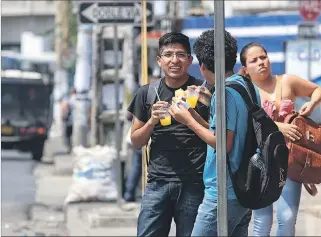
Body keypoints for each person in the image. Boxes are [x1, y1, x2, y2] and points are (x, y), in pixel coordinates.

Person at [169, 30, 255, 236]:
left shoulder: (224, 93)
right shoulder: (245, 86)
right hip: (245, 187)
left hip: (225, 192)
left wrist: (187, 121)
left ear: (203, 66)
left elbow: (223, 143)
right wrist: (194, 115)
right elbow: (228, 130)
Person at [127, 32, 210, 236]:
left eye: (181, 55)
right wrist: (152, 121)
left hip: (195, 182)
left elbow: (218, 135)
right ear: (159, 60)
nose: (175, 60)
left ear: (190, 60)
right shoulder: (146, 93)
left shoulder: (203, 91)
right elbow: (136, 141)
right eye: (169, 54)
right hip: (157, 183)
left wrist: (200, 109)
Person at [239, 42, 321, 236]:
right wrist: (277, 126)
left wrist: (311, 104)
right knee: (262, 220)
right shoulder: (244, 90)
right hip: (259, 160)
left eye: (263, 57)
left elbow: (317, 90)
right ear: (245, 69)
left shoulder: (287, 81)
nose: (261, 62)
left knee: (287, 217)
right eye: (254, 60)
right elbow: (242, 124)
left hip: (289, 159)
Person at [61, 88, 76, 153]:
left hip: (69, 121)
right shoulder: (78, 99)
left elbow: (64, 108)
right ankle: (71, 148)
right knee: (70, 135)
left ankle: (70, 148)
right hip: (74, 121)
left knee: (68, 136)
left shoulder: (69, 100)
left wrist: (63, 117)